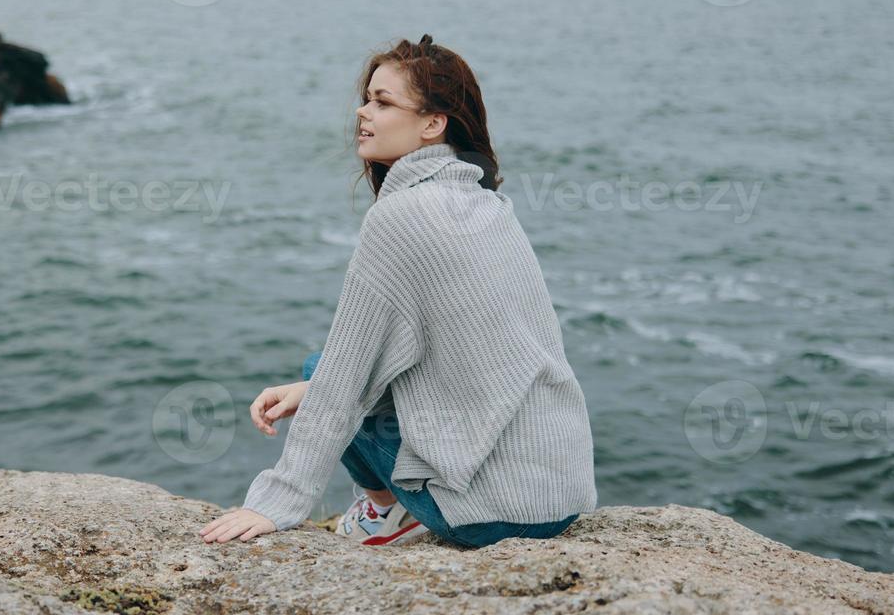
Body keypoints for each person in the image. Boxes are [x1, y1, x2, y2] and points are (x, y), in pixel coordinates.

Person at [199, 35, 597, 548]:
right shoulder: (489, 206)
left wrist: (276, 502)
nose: (363, 113)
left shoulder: (400, 216)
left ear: (433, 124)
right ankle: (389, 508)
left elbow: (345, 378)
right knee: (318, 377)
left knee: (321, 368)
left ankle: (385, 512)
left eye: (383, 102)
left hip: (489, 516)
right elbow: (478, 361)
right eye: (367, 98)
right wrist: (315, 392)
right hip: (559, 498)